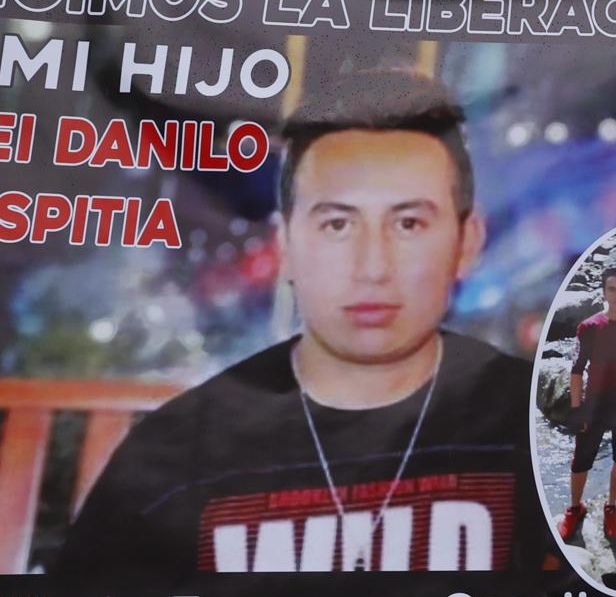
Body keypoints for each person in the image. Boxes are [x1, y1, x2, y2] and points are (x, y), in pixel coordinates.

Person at [56, 71, 543, 582]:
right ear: (286, 246)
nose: (372, 267)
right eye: (337, 224)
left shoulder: (550, 430)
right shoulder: (176, 451)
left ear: (466, 242)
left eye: (408, 224)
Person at [562, 263, 616, 541]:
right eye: (612, 289)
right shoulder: (589, 327)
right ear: (604, 291)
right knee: (581, 461)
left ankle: (611, 507)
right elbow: (576, 370)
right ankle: (575, 507)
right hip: (594, 406)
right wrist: (576, 410)